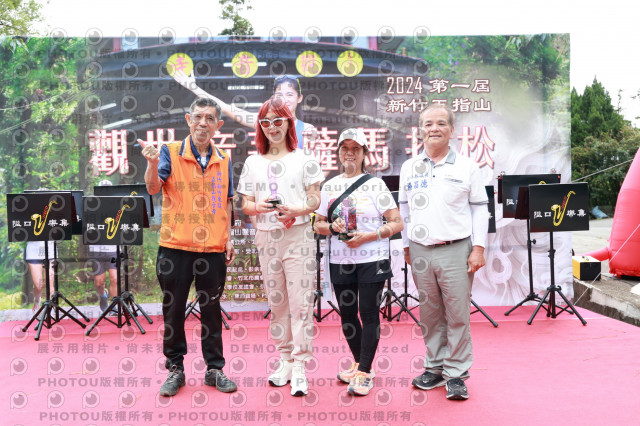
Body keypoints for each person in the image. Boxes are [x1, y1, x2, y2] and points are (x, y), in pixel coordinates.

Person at [140, 97, 237, 397]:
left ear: (218, 124)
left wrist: (228, 237)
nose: (203, 123)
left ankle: (214, 369)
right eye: (198, 117)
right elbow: (153, 188)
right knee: (173, 310)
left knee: (211, 310)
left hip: (212, 249)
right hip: (176, 246)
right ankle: (175, 368)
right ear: (188, 119)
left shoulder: (224, 158)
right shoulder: (170, 152)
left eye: (209, 118)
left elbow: (228, 201)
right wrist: (152, 164)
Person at [398, 104, 489, 400]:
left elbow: (480, 209)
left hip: (456, 250)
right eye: (428, 124)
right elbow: (404, 210)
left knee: (457, 314)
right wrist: (406, 245)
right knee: (429, 313)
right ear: (420, 130)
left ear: (451, 130)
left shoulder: (467, 167)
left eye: (440, 123)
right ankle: (435, 368)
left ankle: (457, 373)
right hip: (420, 250)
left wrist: (478, 248)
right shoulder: (410, 167)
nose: (434, 128)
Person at [237, 96, 323, 396]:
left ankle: (300, 365)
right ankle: (285, 359)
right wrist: (258, 207)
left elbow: (315, 198)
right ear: (260, 126)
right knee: (277, 304)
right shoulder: (253, 162)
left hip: (297, 236)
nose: (272, 127)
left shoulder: (305, 159)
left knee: (301, 303)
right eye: (266, 122)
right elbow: (245, 204)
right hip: (267, 237)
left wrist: (298, 209)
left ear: (289, 122)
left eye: (278, 121)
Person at [314, 128, 403, 396]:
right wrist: (332, 227)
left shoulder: (375, 185)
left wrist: (369, 236)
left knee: (368, 312)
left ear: (365, 153)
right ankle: (359, 363)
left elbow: (396, 222)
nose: (350, 153)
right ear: (339, 152)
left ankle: (364, 372)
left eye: (356, 149)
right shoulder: (329, 186)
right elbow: (318, 224)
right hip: (340, 259)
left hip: (372, 258)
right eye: (345, 148)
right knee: (348, 314)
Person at [173, 71, 316, 150]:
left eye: (290, 94)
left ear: (299, 98)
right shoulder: (263, 122)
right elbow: (225, 108)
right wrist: (194, 88)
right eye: (279, 95)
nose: (284, 99)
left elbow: (316, 168)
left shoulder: (307, 130)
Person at [89, 180, 118, 313]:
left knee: (115, 278)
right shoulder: (92, 206)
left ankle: (114, 305)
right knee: (99, 283)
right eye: (103, 189)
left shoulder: (117, 206)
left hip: (113, 249)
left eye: (108, 189)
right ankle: (103, 296)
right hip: (97, 250)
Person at [25, 241, 55, 313]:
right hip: (34, 251)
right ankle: (37, 300)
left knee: (49, 284)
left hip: (50, 249)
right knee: (39, 285)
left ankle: (50, 308)